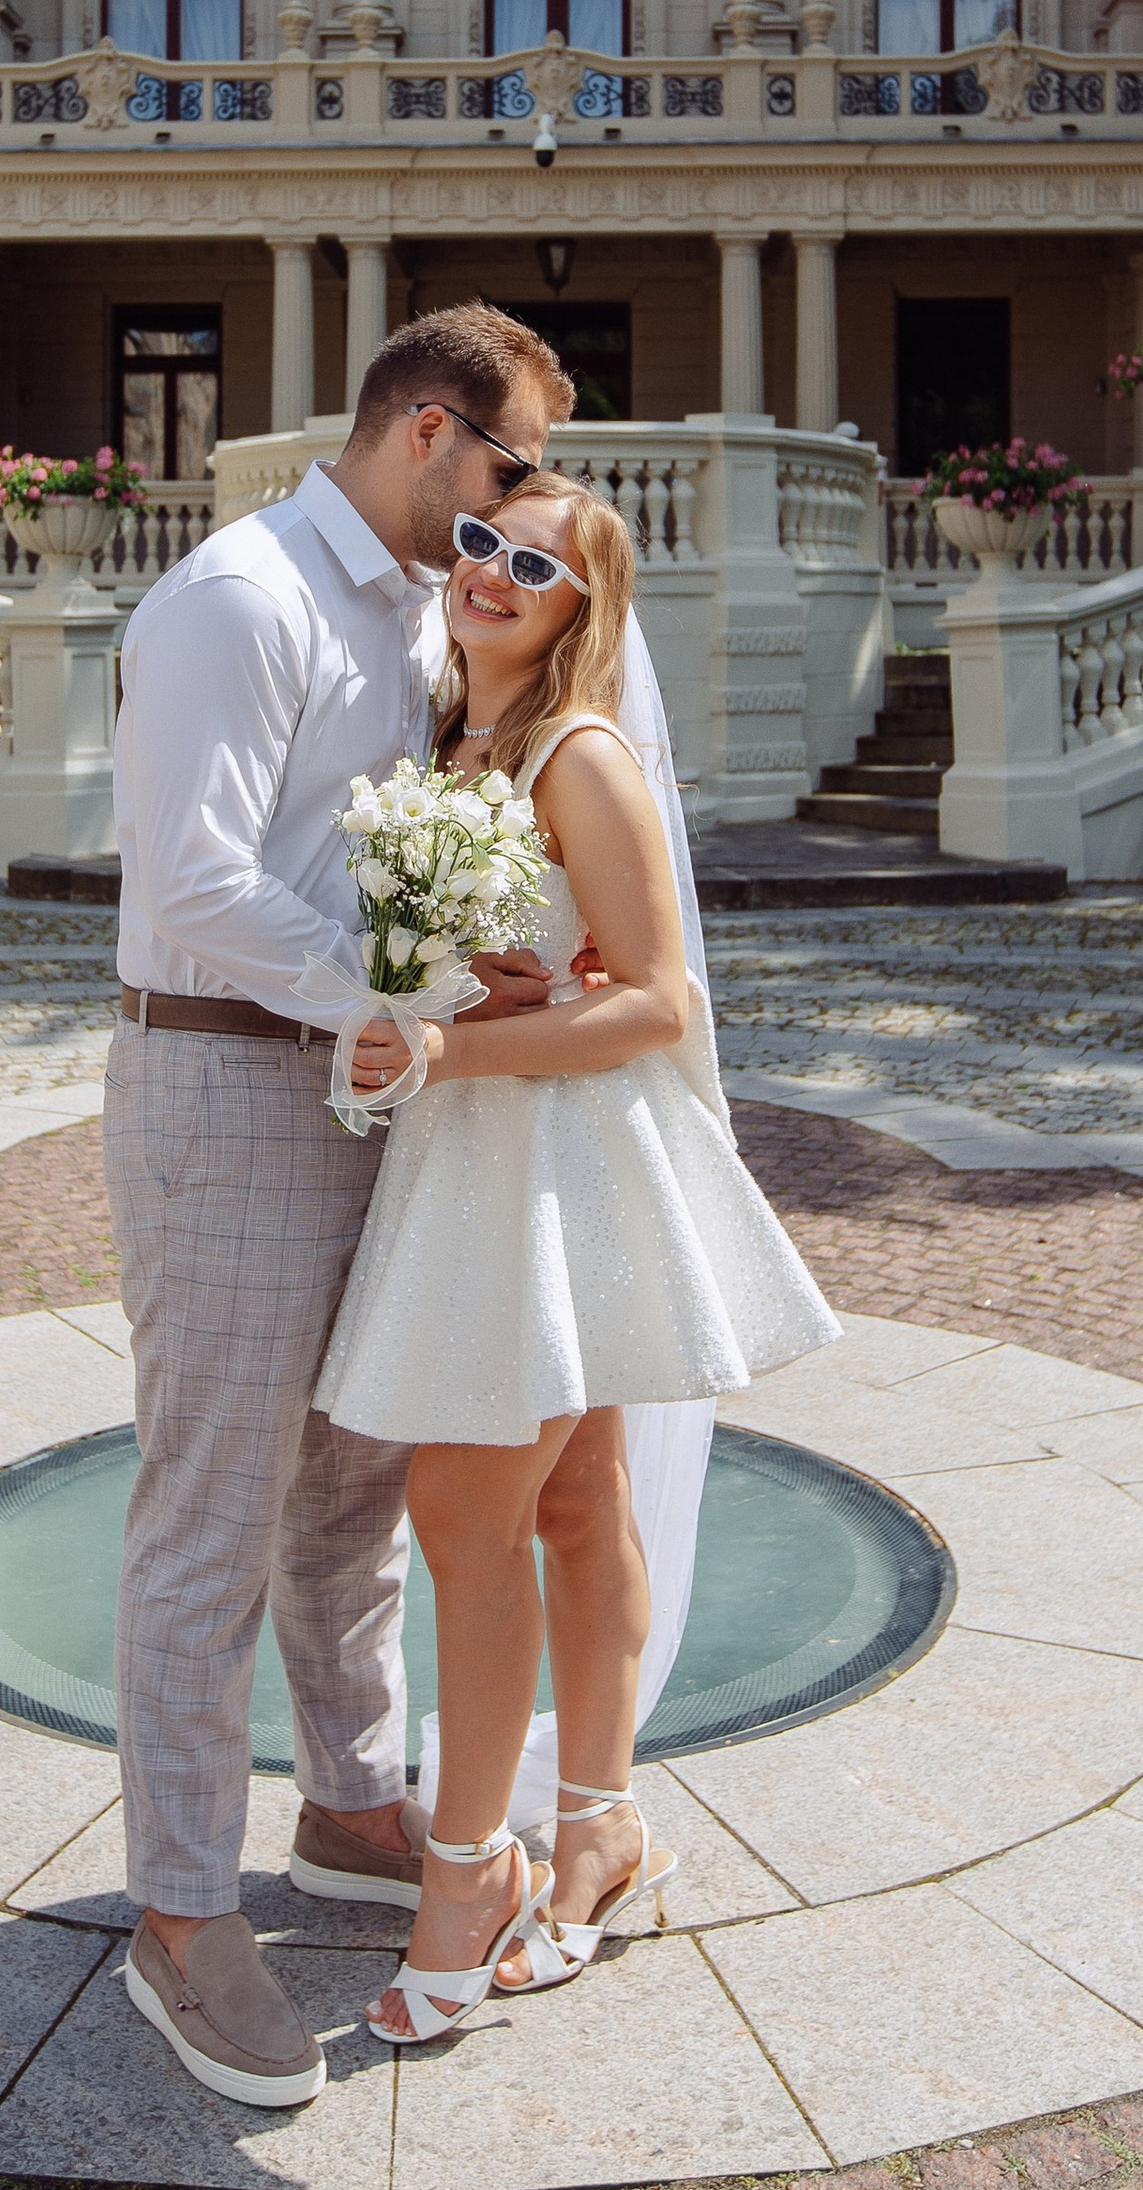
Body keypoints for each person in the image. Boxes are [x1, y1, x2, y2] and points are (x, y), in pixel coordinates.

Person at [104, 303, 573, 2110]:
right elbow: (201, 880)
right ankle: (175, 1915)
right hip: (221, 1079)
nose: (514, 505)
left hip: (366, 1086)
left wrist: (459, 974)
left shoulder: (397, 603)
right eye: (510, 466)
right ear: (432, 433)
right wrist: (412, 997)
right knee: (213, 1506)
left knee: (354, 1485)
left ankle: (349, 1804)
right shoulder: (237, 597)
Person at [318, 469, 838, 2046]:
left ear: (580, 610)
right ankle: (602, 1828)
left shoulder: (582, 753)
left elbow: (661, 999)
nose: (489, 573)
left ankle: (468, 1868)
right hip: (479, 1155)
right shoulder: (443, 744)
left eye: (532, 566)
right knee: (567, 1495)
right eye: (479, 541)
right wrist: (459, 997)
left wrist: (448, 1055)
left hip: (553, 1164)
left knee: (455, 1504)